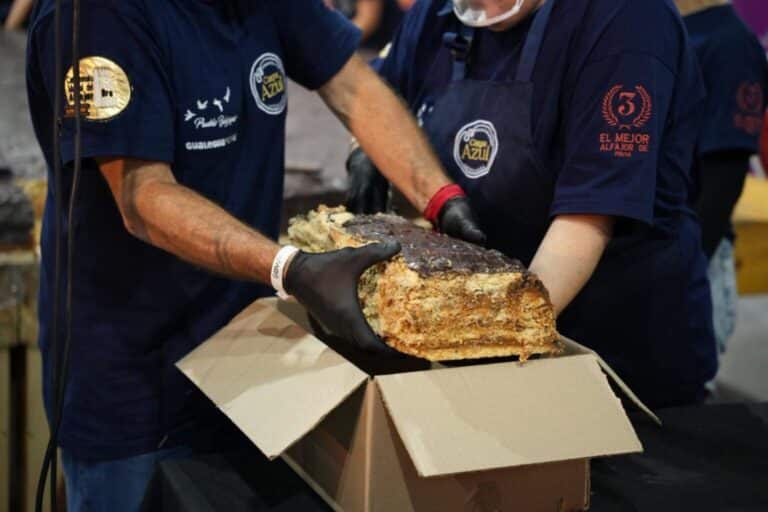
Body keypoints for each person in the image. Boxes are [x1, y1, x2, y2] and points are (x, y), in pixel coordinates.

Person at [25, 0, 483, 509]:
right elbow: (143, 197)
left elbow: (351, 84)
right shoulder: (98, 17)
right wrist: (289, 267)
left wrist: (439, 197)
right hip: (136, 380)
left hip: (245, 355)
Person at [347, 0, 718, 408]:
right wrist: (367, 148)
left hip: (610, 347)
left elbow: (586, 220)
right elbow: (379, 95)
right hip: (472, 319)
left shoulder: (627, 20)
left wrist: (493, 339)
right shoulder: (439, 12)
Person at [678, 0, 768, 352]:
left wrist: (685, 269)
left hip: (692, 258)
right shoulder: (670, 29)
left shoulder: (730, 44)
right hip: (656, 255)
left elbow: (724, 180)